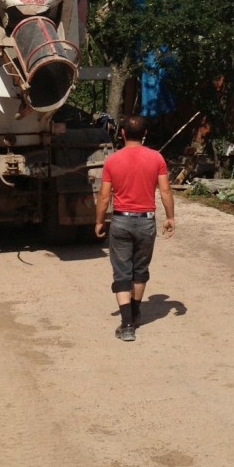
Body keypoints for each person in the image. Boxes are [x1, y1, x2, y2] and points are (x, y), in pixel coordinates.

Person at [94, 114, 175, 343]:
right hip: (146, 221)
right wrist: (170, 217)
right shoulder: (157, 158)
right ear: (145, 134)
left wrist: (100, 221)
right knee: (140, 269)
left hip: (121, 220)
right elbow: (166, 191)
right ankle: (136, 312)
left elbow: (103, 196)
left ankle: (127, 324)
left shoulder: (112, 160)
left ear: (122, 134)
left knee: (122, 272)